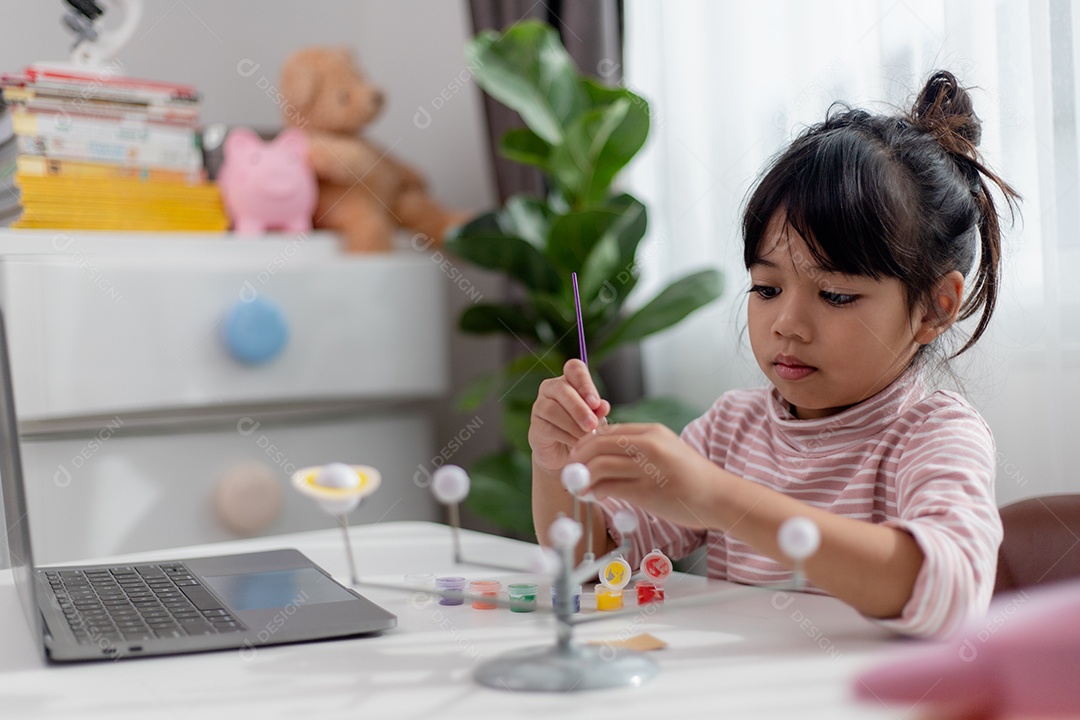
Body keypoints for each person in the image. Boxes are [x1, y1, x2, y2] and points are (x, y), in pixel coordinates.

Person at [529, 70, 1020, 639]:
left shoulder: (934, 434)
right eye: (766, 289)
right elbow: (592, 568)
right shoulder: (730, 432)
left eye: (836, 294)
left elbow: (952, 591)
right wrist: (554, 464)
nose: (787, 324)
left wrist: (718, 498)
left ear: (935, 307)